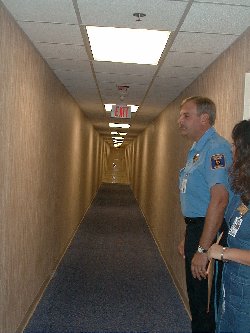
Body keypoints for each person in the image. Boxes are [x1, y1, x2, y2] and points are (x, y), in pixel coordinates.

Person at [177, 96, 232, 332]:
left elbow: (219, 201)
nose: (180, 120)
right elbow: (197, 198)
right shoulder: (197, 149)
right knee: (196, 298)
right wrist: (189, 236)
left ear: (204, 119)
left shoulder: (215, 149)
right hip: (197, 228)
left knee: (204, 302)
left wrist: (202, 248)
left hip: (209, 231)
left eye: (186, 115)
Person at [208, 119, 250, 333]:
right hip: (231, 288)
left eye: (236, 145)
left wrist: (224, 252)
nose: (231, 149)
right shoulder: (241, 192)